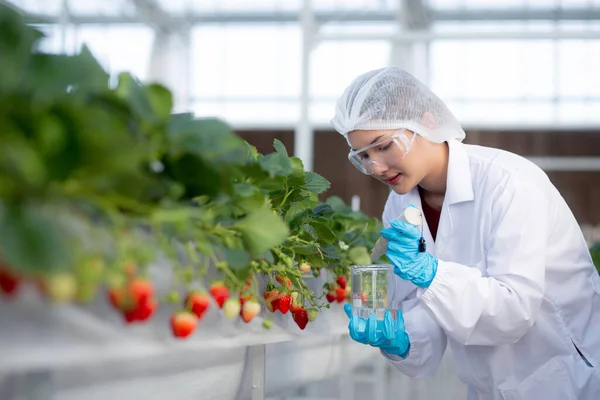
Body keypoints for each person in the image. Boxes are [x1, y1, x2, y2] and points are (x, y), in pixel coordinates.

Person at [331, 66, 600, 400]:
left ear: (425, 122)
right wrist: (401, 336)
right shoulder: (399, 206)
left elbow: (514, 311)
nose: (376, 167)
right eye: (363, 157)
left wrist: (433, 275)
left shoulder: (508, 183)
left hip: (566, 378)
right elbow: (428, 308)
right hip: (487, 385)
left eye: (383, 146)